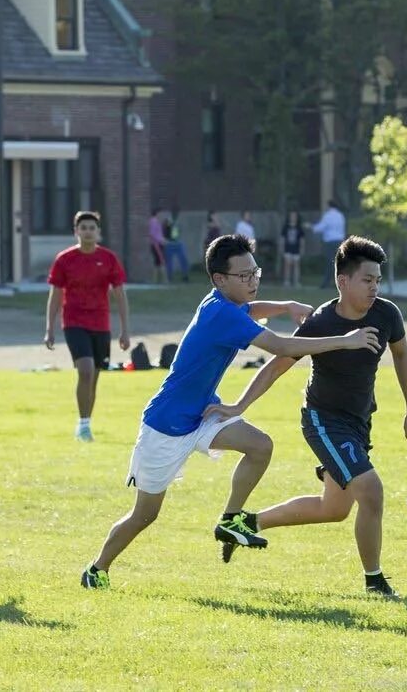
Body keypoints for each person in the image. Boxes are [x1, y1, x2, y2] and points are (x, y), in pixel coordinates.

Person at [80, 234, 379, 591]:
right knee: (145, 515)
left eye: (256, 272)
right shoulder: (220, 312)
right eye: (244, 276)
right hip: (165, 427)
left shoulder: (226, 303)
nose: (253, 281)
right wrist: (346, 340)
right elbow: (281, 345)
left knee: (260, 446)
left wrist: (285, 305)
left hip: (204, 413)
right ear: (219, 279)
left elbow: (250, 310)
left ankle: (231, 518)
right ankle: (97, 568)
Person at [205, 236, 407, 598]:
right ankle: (375, 582)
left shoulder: (387, 313)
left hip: (358, 422)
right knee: (370, 491)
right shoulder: (321, 321)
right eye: (367, 280)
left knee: (334, 508)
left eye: (378, 280)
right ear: (343, 281)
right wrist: (239, 406)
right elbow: (277, 366)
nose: (374, 287)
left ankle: (244, 522)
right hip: (323, 421)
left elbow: (401, 356)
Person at [45, 211, 131, 442]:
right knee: (85, 370)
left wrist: (124, 330)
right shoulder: (65, 260)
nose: (88, 231)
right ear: (76, 232)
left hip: (101, 324)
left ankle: (86, 424)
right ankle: (83, 424)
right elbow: (55, 294)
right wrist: (49, 328)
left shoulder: (109, 259)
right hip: (74, 322)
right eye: (83, 227)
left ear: (98, 232)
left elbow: (120, 295)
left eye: (92, 227)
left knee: (93, 376)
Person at [312, 199, 346, 288]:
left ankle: (326, 283)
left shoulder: (328, 216)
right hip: (339, 241)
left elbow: (321, 227)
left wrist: (312, 227)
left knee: (329, 262)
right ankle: (338, 283)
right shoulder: (340, 216)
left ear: (329, 206)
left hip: (330, 242)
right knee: (338, 263)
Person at [163, 208, 191, 282]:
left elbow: (179, 231)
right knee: (169, 261)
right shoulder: (168, 221)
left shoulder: (178, 221)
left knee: (183, 259)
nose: (176, 215)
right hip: (170, 243)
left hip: (178, 242)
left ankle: (185, 276)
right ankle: (169, 277)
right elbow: (165, 230)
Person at [280, 211, 305, 287]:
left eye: (294, 216)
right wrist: (281, 248)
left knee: (296, 265)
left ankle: (296, 282)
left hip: (296, 249)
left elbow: (302, 240)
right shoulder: (285, 227)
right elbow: (282, 239)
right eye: (291, 216)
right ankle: (287, 281)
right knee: (287, 265)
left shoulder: (299, 228)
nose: (293, 217)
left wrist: (302, 249)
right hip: (287, 249)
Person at [147, 208, 167, 285]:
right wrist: (160, 240)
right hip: (156, 245)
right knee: (161, 261)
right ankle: (164, 280)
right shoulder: (153, 221)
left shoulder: (156, 221)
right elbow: (152, 234)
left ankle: (156, 280)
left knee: (158, 263)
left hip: (158, 243)